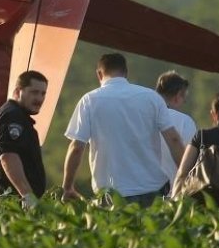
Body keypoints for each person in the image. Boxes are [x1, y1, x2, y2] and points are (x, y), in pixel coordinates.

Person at [62, 52, 185, 206]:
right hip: (152, 190)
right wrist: (186, 176)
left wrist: (68, 187)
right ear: (126, 72)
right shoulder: (152, 98)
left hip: (112, 194)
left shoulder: (89, 100)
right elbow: (173, 140)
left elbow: (77, 148)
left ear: (99, 74)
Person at [0, 70, 48, 209]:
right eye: (34, 92)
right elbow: (8, 156)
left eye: (43, 93)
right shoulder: (13, 116)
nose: (39, 99)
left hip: (12, 201)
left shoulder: (15, 115)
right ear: (18, 92)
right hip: (11, 203)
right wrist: (27, 195)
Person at [155, 71, 197, 185]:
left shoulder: (142, 116)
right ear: (178, 96)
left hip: (142, 192)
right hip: (174, 192)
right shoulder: (185, 121)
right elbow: (193, 160)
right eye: (184, 98)